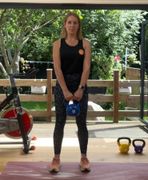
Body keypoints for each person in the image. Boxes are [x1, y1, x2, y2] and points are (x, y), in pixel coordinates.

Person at [49, 12, 91, 173]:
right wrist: (65, 90)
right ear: (65, 25)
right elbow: (57, 68)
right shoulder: (57, 44)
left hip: (80, 84)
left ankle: (84, 157)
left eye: (75, 23)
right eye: (69, 22)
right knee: (60, 122)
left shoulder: (85, 44)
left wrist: (80, 88)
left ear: (78, 25)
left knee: (82, 123)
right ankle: (56, 158)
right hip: (62, 85)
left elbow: (86, 67)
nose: (72, 25)